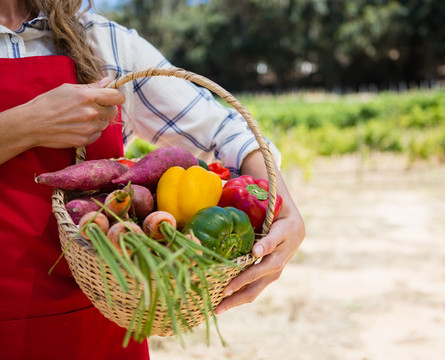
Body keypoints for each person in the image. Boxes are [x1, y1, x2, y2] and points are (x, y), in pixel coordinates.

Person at [0, 1, 305, 359]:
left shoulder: (100, 41)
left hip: (98, 327)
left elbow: (225, 131)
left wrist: (286, 215)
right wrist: (27, 124)